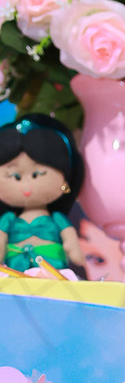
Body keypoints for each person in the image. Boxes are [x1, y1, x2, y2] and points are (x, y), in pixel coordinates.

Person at [0, 114, 84, 274]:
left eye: (37, 174)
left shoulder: (57, 218)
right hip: (16, 269)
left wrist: (73, 250)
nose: (27, 186)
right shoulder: (8, 219)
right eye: (15, 176)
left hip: (52, 269)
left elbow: (69, 238)